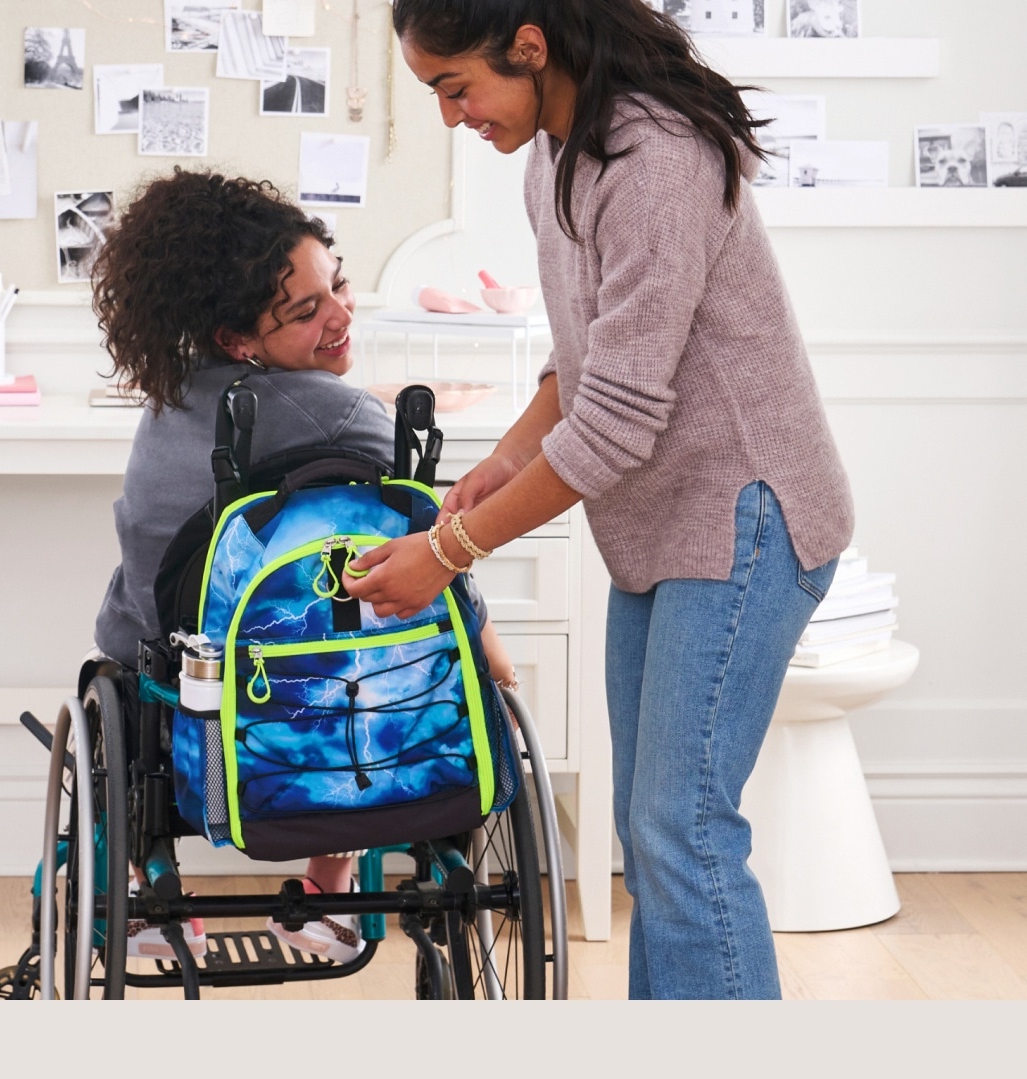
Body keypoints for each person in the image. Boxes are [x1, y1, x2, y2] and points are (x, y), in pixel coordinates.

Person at [348, 0, 855, 999]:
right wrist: (506, 456)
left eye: (457, 87)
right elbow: (590, 359)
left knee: (682, 825)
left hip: (743, 518)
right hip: (660, 525)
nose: (451, 116)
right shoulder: (557, 154)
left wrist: (447, 556)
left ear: (529, 46)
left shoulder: (657, 162)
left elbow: (618, 421)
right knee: (653, 825)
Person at [89, 169, 514, 965]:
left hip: (181, 682)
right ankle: (331, 884)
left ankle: (144, 883)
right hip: (330, 696)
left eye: (337, 287)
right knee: (378, 631)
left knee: (129, 656)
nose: (340, 315)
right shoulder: (342, 412)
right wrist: (484, 635)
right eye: (305, 310)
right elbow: (416, 539)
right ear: (238, 340)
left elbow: (145, 546)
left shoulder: (168, 403)